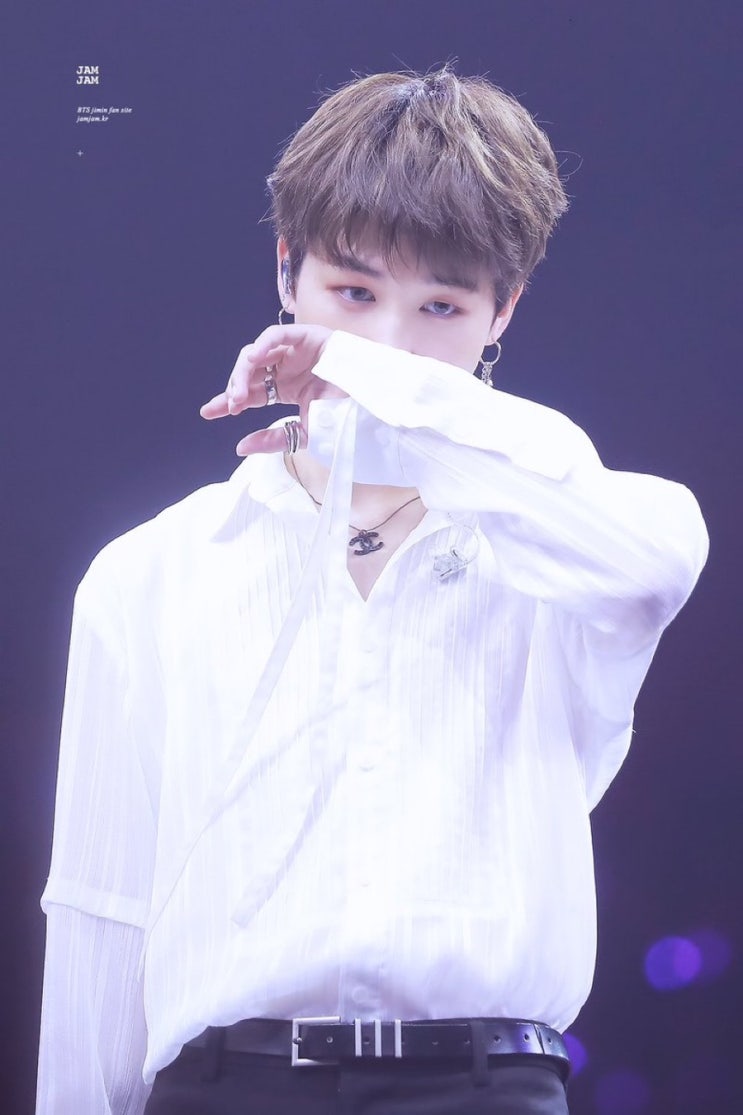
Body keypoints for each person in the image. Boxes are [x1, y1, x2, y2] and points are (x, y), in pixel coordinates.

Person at [36, 67, 708, 1115]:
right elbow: (103, 913)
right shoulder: (153, 570)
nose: (388, 343)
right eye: (352, 294)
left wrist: (399, 408)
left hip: (484, 1084)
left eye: (439, 305)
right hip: (226, 1087)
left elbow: (654, 561)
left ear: (502, 311)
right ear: (286, 271)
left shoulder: (565, 541)